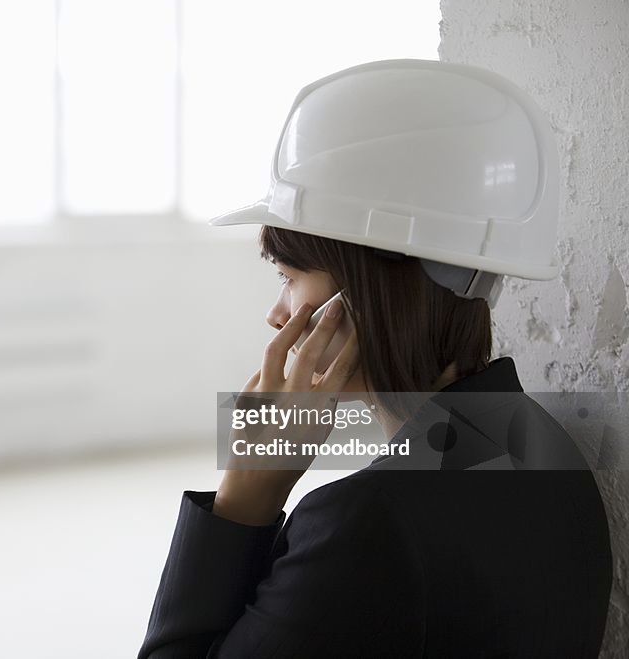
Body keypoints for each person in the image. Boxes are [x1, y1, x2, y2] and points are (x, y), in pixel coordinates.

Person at [138, 60, 612, 658]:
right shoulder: (543, 445)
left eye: (288, 277)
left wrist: (243, 502)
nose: (277, 315)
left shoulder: (363, 524)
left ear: (363, 293)